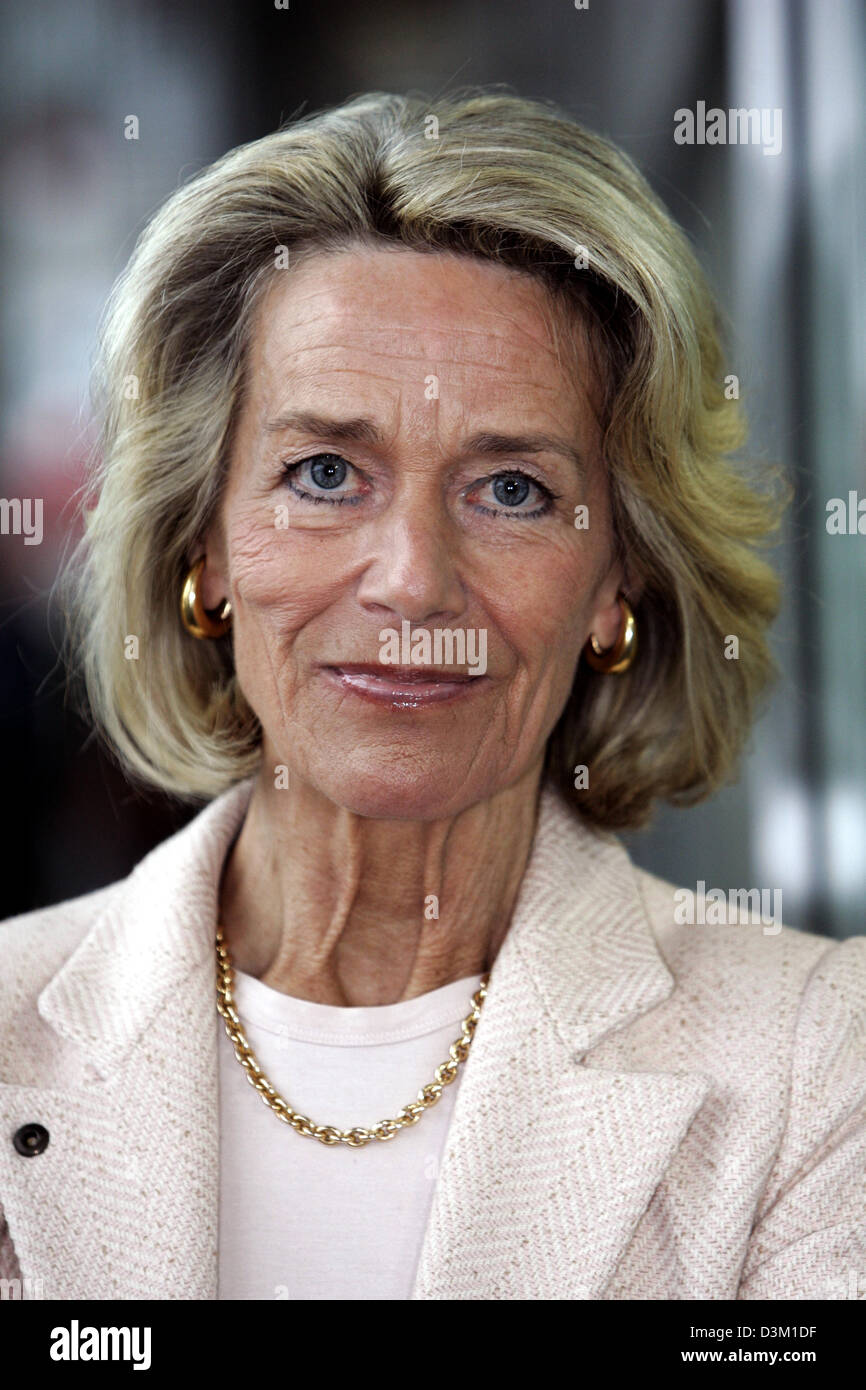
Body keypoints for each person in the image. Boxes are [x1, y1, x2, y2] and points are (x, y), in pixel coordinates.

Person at [1, 89, 863, 1301]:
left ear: (619, 578)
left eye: (508, 490)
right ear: (203, 549)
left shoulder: (817, 1059)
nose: (411, 581)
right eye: (323, 472)